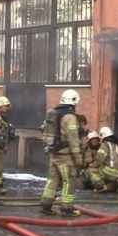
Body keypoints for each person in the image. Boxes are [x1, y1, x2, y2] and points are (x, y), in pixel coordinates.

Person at [40, 89, 84, 217]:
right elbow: (73, 140)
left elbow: (43, 130)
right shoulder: (70, 117)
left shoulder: (53, 113)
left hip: (54, 154)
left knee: (52, 180)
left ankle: (46, 205)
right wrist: (78, 158)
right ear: (74, 101)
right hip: (66, 156)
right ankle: (67, 209)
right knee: (68, 181)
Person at [90, 127, 118, 194]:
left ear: (103, 135)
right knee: (103, 168)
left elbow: (99, 159)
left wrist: (92, 165)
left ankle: (101, 187)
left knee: (91, 170)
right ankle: (116, 183)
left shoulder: (105, 144)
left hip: (108, 172)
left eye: (101, 136)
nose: (100, 139)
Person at [0, 96, 16, 195]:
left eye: (8, 106)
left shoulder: (4, 117)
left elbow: (5, 132)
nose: (7, 108)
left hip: (1, 146)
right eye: (5, 106)